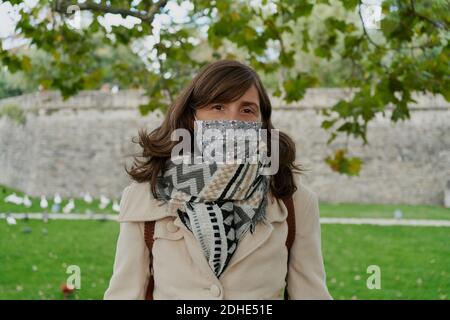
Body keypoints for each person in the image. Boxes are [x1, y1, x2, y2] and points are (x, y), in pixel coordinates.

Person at [104, 60, 332, 300]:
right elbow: (124, 294)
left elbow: (311, 293)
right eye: (218, 106)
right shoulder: (144, 194)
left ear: (261, 122)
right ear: (193, 117)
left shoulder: (295, 201)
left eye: (247, 110)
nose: (232, 120)